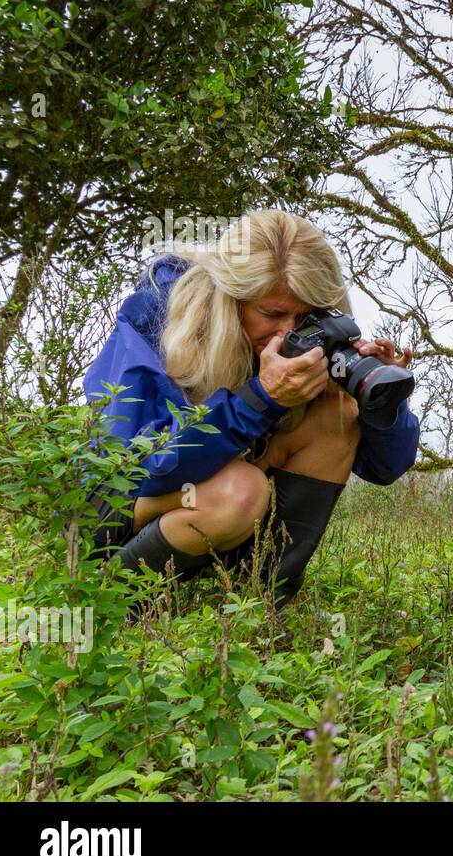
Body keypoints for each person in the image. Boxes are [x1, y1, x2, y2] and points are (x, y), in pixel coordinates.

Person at [83, 209, 420, 608]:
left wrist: (379, 406)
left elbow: (385, 469)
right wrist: (261, 400)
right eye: (272, 314)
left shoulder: (307, 335)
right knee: (239, 492)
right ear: (232, 299)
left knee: (336, 412)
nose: (288, 332)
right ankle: (113, 601)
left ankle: (260, 606)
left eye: (304, 316)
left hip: (218, 505)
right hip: (120, 501)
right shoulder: (158, 311)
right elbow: (147, 468)